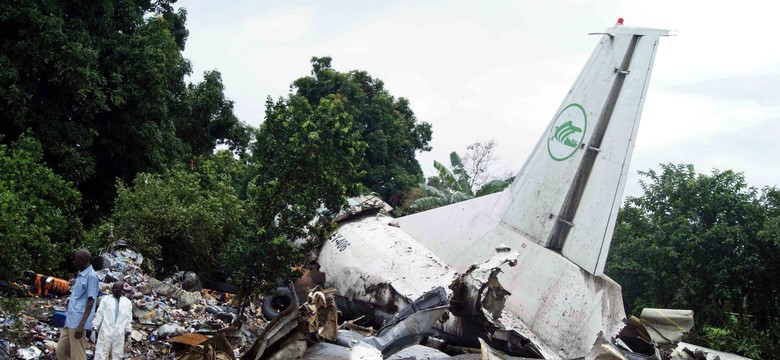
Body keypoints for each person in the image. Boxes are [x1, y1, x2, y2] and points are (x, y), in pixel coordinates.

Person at [57, 249, 99, 360]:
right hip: (71, 320)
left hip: (78, 323)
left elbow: (91, 301)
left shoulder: (91, 276)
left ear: (82, 260)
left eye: (75, 260)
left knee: (78, 356)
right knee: (61, 352)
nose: (74, 263)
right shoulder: (80, 274)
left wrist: (82, 324)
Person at [92, 281, 133, 360]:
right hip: (105, 331)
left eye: (116, 288)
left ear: (122, 290)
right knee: (101, 354)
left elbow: (128, 319)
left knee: (117, 355)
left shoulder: (127, 303)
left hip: (119, 333)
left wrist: (129, 333)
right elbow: (99, 314)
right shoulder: (105, 299)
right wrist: (94, 328)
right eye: (113, 287)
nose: (114, 289)